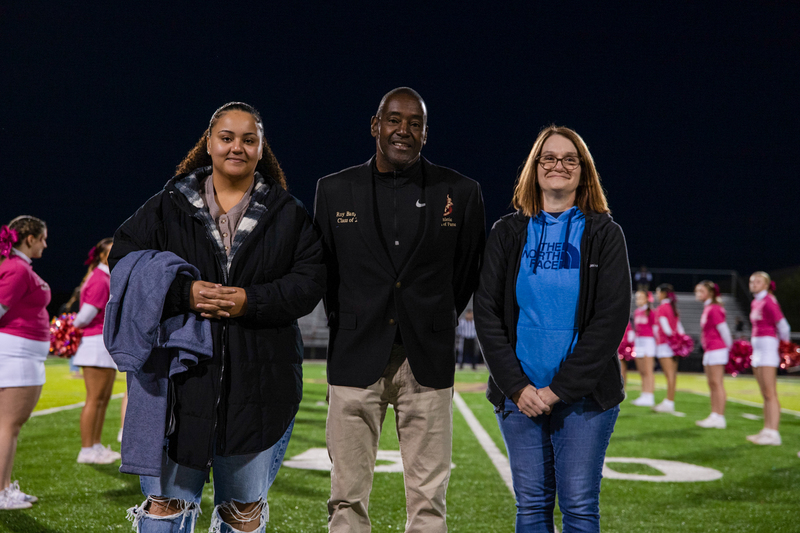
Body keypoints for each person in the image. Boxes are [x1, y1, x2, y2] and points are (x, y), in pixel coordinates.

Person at [108, 102, 326, 532]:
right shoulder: (168, 204)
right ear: (208, 144)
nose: (237, 147)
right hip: (177, 386)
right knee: (163, 510)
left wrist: (251, 301)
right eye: (227, 137)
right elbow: (123, 261)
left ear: (261, 149)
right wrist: (182, 293)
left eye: (249, 139)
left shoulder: (288, 213)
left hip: (261, 386)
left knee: (243, 517)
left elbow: (310, 281)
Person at [314, 87, 485, 533]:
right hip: (355, 354)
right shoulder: (333, 190)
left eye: (414, 123)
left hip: (425, 357)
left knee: (430, 499)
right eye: (394, 120)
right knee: (346, 497)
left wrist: (430, 318)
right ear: (375, 126)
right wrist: (356, 320)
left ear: (426, 133)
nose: (403, 130)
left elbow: (466, 273)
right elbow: (327, 276)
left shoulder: (462, 192)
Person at [475, 125, 631, 532]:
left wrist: (558, 389)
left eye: (569, 159)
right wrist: (518, 387)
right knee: (531, 508)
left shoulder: (605, 234)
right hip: (519, 397)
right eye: (548, 158)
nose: (558, 166)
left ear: (583, 171)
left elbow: (610, 319)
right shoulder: (506, 232)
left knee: (579, 507)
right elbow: (487, 312)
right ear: (535, 168)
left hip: (584, 399)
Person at [0, 216, 49, 510]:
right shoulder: (17, 269)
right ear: (29, 238)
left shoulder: (18, 267)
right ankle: (1, 491)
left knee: (9, 425)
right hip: (16, 354)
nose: (45, 243)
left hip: (21, 353)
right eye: (42, 238)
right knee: (9, 425)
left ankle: (5, 486)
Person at [72, 238, 121, 464]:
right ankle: (86, 449)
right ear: (102, 256)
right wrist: (71, 327)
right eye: (112, 252)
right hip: (95, 344)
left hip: (103, 344)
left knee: (103, 399)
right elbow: (84, 317)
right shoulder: (100, 279)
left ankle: (97, 445)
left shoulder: (106, 277)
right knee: (94, 399)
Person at [746, 271, 790, 445]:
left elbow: (784, 326)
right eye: (752, 281)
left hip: (768, 348)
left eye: (758, 281)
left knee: (770, 393)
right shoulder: (756, 301)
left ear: (766, 284)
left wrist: (784, 347)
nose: (754, 284)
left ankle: (774, 433)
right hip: (757, 349)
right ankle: (766, 429)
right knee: (764, 393)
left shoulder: (769, 301)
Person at [694, 280, 733, 429]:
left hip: (717, 349)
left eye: (701, 291)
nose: (698, 294)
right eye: (697, 291)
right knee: (712, 384)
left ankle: (720, 417)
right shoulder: (708, 307)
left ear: (710, 293)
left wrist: (729, 349)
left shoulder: (714, 308)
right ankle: (714, 415)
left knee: (717, 383)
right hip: (710, 349)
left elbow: (724, 330)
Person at [652, 284, 682, 413]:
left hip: (665, 345)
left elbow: (667, 330)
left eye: (658, 292)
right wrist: (680, 342)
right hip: (675, 346)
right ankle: (669, 401)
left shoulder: (662, 308)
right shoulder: (673, 307)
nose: (657, 295)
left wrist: (672, 338)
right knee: (672, 375)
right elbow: (680, 328)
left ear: (664, 293)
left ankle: (669, 403)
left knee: (669, 375)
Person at [630, 290, 657, 407]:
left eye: (640, 297)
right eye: (637, 298)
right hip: (639, 341)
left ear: (647, 299)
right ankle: (644, 394)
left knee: (648, 371)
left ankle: (650, 395)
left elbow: (656, 329)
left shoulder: (651, 312)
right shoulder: (636, 312)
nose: (638, 300)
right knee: (641, 370)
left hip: (648, 341)